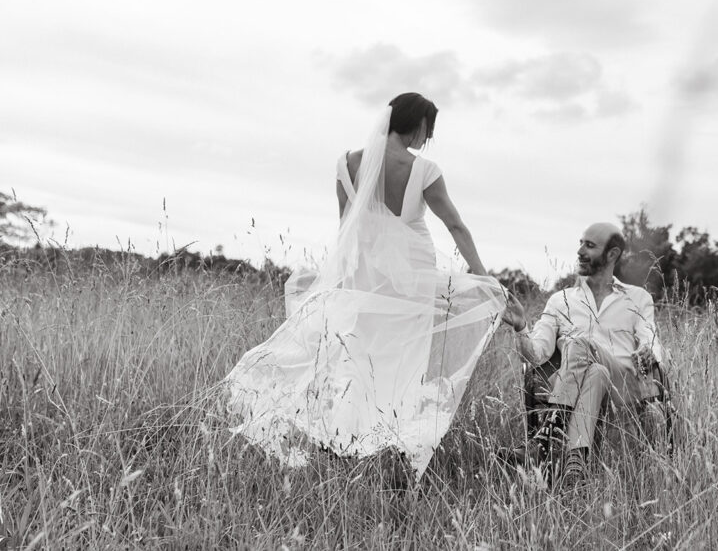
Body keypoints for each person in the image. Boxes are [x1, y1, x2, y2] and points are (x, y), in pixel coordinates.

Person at [224, 92, 506, 478]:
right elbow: (455, 225)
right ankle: (390, 447)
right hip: (411, 282)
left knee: (358, 360)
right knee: (403, 364)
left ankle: (346, 443)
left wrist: (339, 281)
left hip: (363, 277)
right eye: (429, 130)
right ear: (420, 123)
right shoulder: (425, 170)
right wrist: (483, 278)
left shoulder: (345, 163)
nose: (428, 139)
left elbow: (346, 230)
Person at [501, 222, 668, 487]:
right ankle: (576, 467)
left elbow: (650, 335)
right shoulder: (560, 300)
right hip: (586, 384)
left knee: (580, 344)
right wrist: (521, 327)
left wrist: (648, 350)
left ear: (612, 255)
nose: (580, 250)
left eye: (589, 246)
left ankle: (545, 440)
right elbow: (535, 356)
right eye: (580, 243)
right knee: (595, 372)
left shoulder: (638, 298)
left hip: (623, 386)